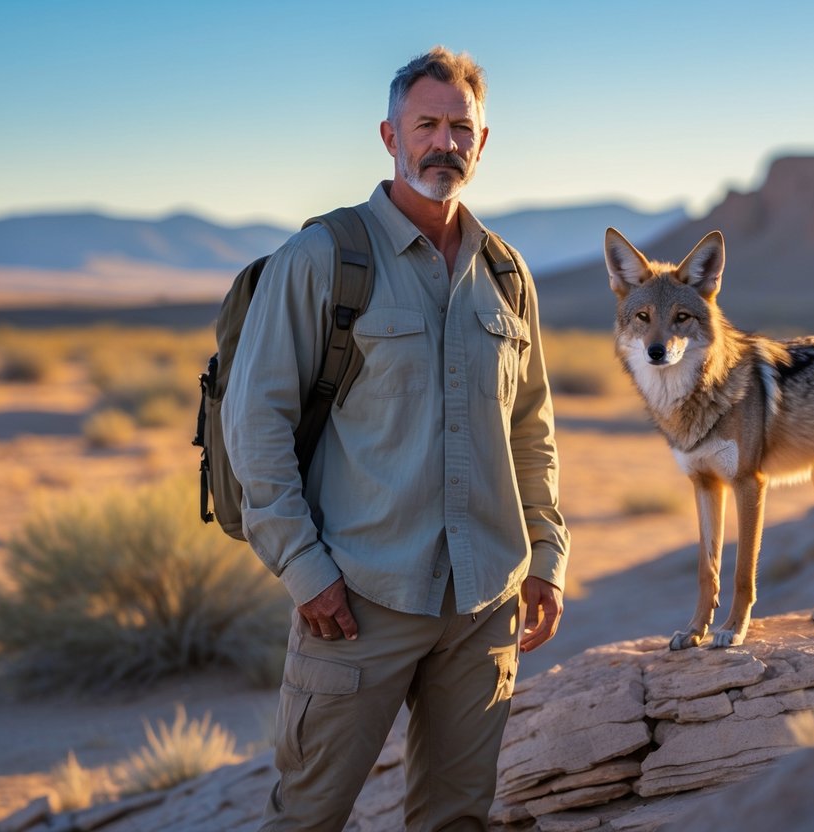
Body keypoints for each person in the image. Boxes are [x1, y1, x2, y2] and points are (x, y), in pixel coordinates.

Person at [222, 45, 569, 831]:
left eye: (459, 128)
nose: (443, 143)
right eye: (426, 125)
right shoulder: (322, 258)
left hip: (485, 601)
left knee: (456, 818)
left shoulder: (507, 275)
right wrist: (304, 569)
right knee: (307, 817)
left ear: (482, 144)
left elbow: (530, 430)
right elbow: (256, 421)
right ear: (389, 135)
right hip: (355, 601)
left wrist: (545, 557)